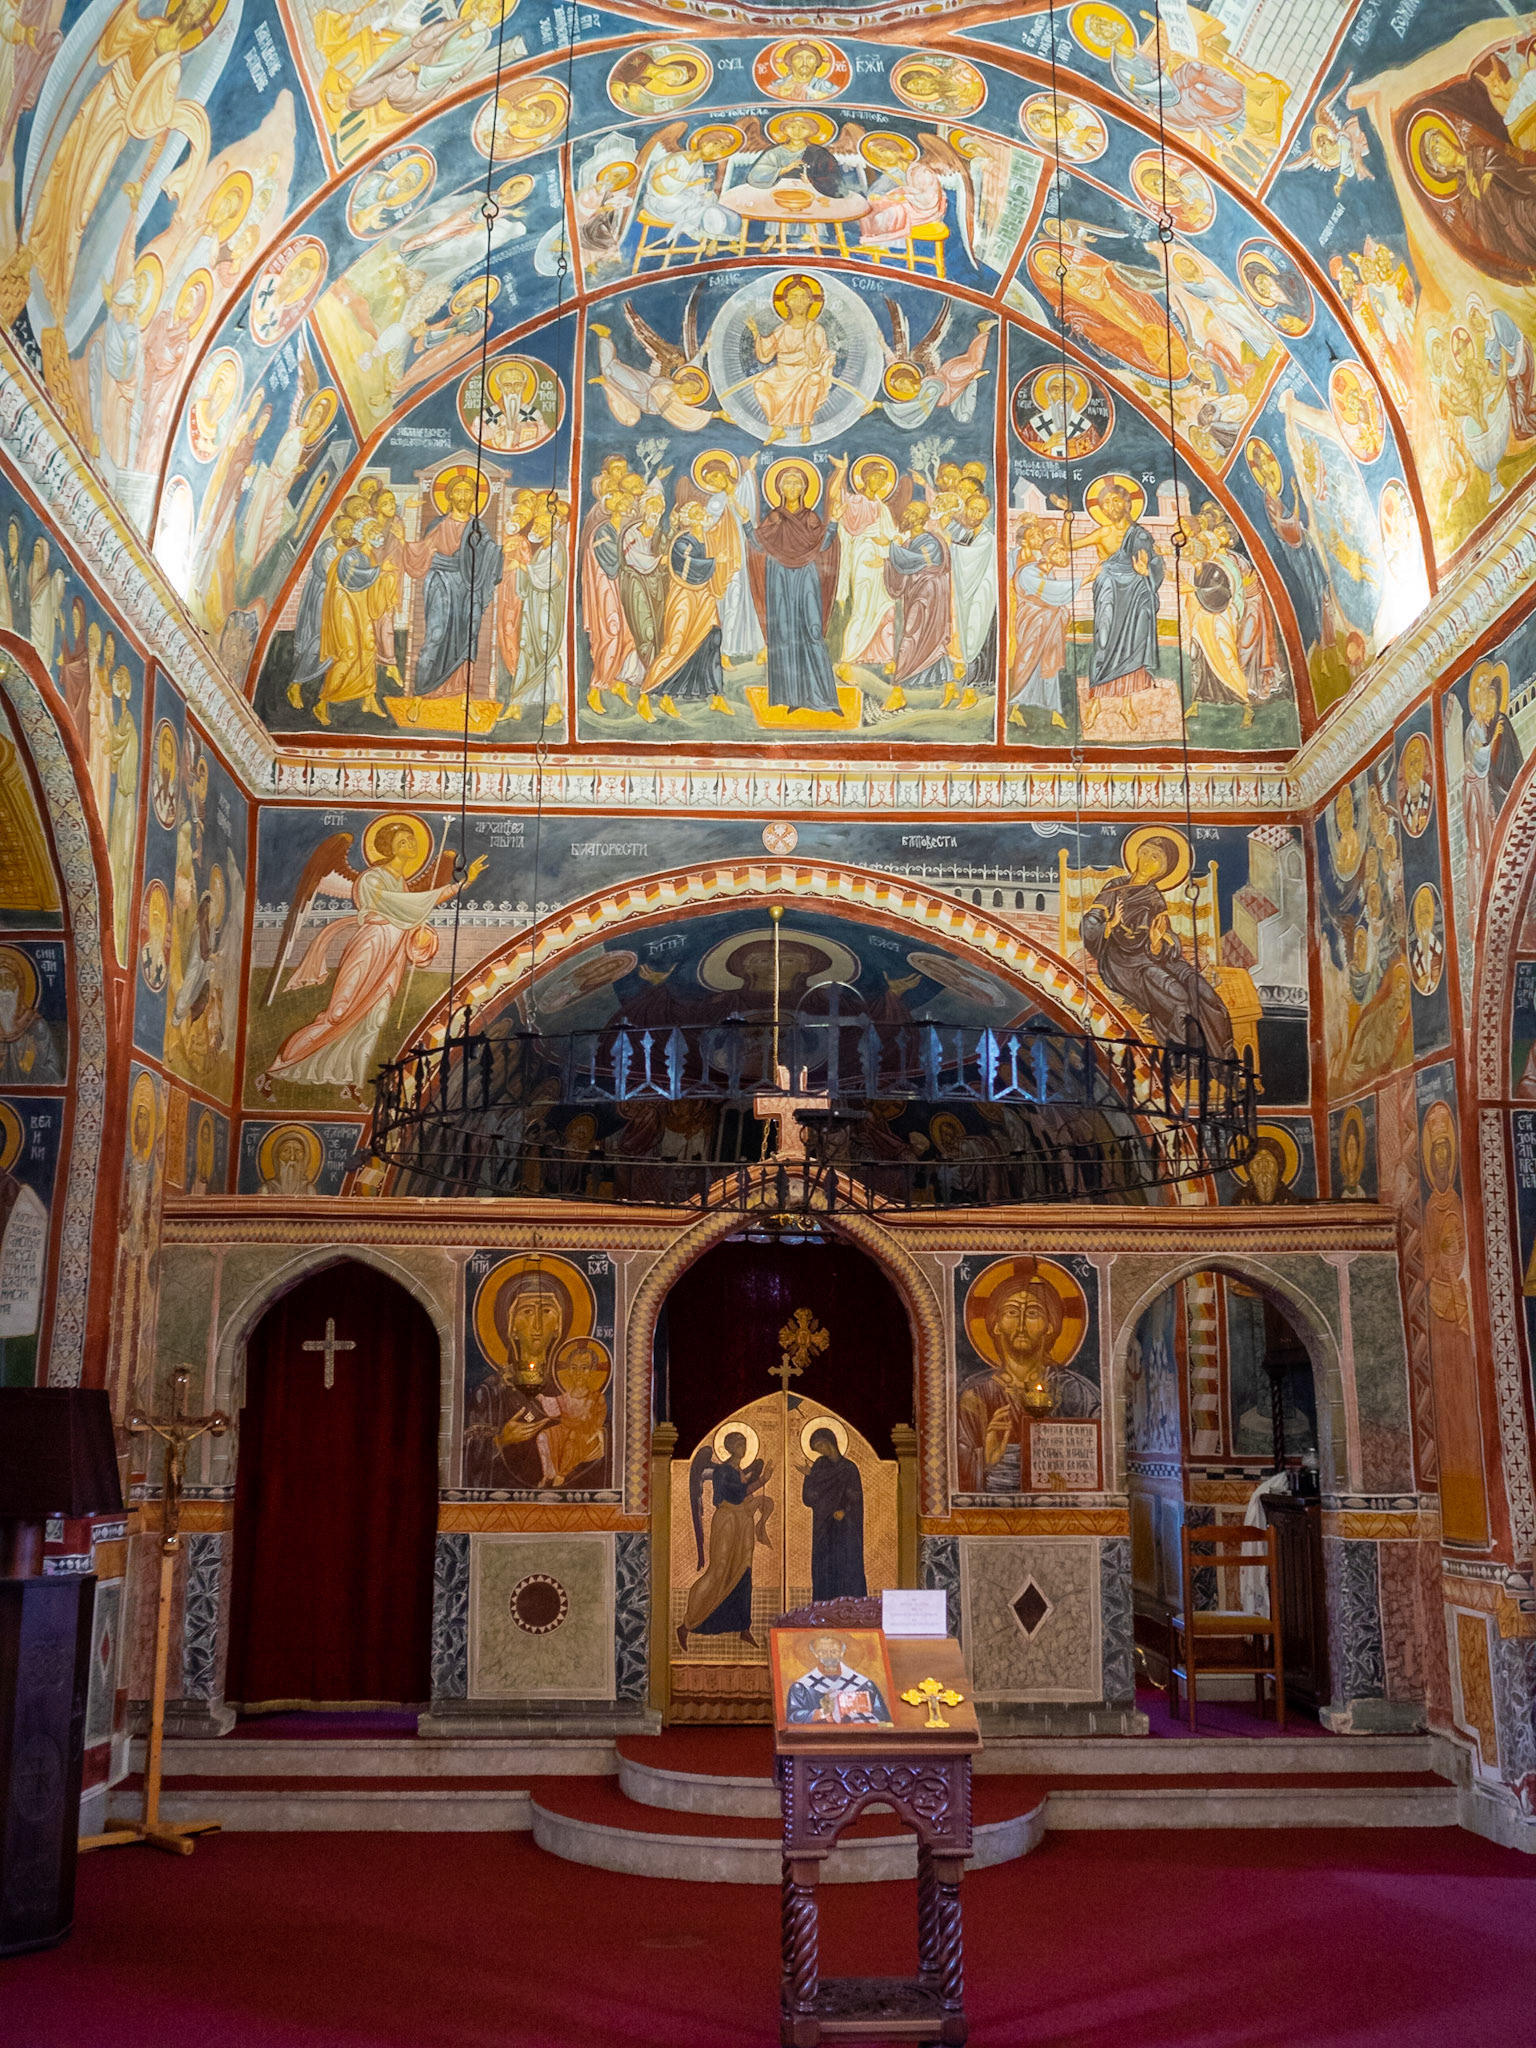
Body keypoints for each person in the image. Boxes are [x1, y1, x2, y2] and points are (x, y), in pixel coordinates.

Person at [1080, 833, 1237, 1061]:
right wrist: (1110, 924)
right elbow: (1089, 922)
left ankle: (1223, 1062)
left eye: (1155, 857)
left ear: (1162, 869)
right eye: (1144, 852)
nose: (1146, 860)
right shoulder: (1114, 887)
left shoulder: (1154, 898)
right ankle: (1183, 1062)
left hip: (1156, 956)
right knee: (1178, 998)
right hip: (1124, 961)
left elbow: (1167, 935)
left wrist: (1157, 941)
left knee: (1204, 993)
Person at [956, 1270, 1099, 1492]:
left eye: (1033, 1313)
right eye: (1011, 1312)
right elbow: (958, 1469)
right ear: (996, 1324)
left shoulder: (1078, 1393)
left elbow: (1096, 1456)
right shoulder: (975, 1397)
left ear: (1050, 1325)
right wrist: (985, 1458)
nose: (1021, 1323)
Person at [746, 463, 840, 712]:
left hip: (806, 574)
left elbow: (823, 545)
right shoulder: (775, 517)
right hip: (779, 575)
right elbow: (758, 544)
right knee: (785, 632)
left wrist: (835, 523)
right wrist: (746, 523)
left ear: (805, 488)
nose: (792, 487)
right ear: (778, 488)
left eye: (797, 482)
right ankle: (792, 698)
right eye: (787, 482)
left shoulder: (810, 517)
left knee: (812, 629)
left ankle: (824, 698)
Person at [680, 1428, 774, 1647]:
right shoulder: (722, 1471)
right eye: (739, 1442)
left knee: (744, 1569)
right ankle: (687, 1624)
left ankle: (743, 1627)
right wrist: (763, 1480)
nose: (743, 1446)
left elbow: (745, 1495)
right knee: (719, 1569)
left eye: (744, 1442)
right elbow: (736, 1493)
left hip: (743, 1521)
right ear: (730, 1447)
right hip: (727, 1521)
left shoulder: (741, 1471)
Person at [884, 502, 954, 704]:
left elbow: (914, 561)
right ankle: (949, 684)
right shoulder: (907, 543)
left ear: (923, 519)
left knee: (913, 636)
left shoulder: (932, 541)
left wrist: (891, 547)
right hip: (915, 593)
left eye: (913, 512)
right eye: (907, 510)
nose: (907, 514)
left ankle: (898, 691)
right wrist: (887, 563)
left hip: (929, 595)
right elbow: (901, 568)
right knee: (927, 640)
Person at [801, 1428, 866, 1599]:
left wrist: (845, 1510)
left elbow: (856, 1497)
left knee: (846, 1564)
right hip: (824, 1527)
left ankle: (851, 1606)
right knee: (824, 1566)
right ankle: (823, 1606)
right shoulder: (819, 1466)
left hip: (845, 1529)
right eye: (816, 1448)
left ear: (831, 1441)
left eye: (821, 1444)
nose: (820, 1450)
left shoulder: (849, 1468)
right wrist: (809, 1477)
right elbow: (809, 1498)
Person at [785, 1633, 891, 1724]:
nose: (828, 1655)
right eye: (822, 1651)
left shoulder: (865, 1685)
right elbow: (793, 1717)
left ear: (842, 1652)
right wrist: (820, 1714)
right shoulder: (802, 1687)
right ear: (815, 1654)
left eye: (834, 1651)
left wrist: (859, 1714)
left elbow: (884, 1721)